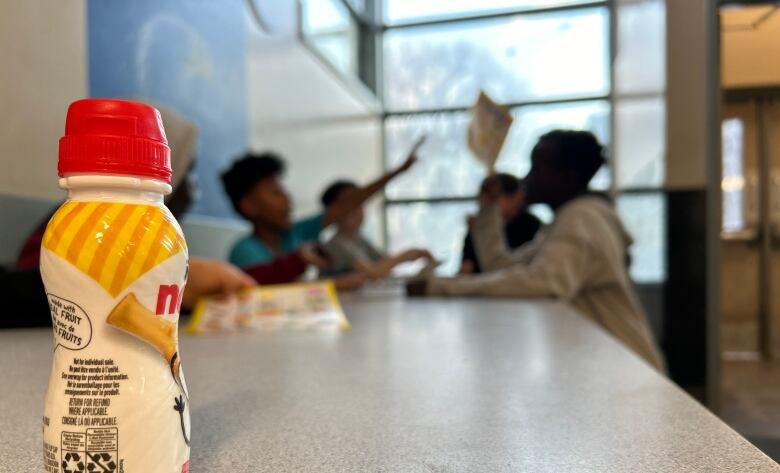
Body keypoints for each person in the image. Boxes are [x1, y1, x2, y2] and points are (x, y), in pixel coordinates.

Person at [409, 130, 664, 371]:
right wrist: (488, 209)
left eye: (537, 168)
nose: (527, 178)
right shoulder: (565, 220)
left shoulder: (582, 219)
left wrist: (441, 287)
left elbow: (544, 282)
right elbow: (502, 268)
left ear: (568, 176)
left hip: (629, 371)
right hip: (609, 367)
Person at [222, 149, 419, 268]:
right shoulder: (244, 252)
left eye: (284, 191)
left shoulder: (296, 233)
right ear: (249, 205)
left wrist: (398, 171)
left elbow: (347, 204)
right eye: (276, 193)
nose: (288, 199)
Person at [319, 180, 433, 279]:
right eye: (349, 204)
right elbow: (374, 272)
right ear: (333, 212)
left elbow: (384, 263)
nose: (356, 210)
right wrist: (406, 255)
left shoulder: (358, 239)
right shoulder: (335, 244)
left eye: (359, 203)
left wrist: (413, 258)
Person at [459, 173, 541, 275]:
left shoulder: (532, 226)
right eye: (482, 201)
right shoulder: (479, 226)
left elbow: (505, 268)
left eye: (492, 200)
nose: (484, 206)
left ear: (515, 197)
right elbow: (466, 266)